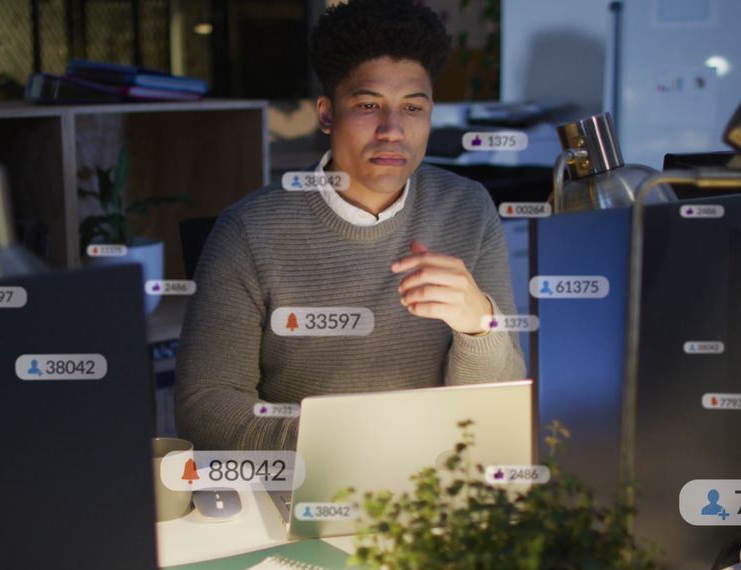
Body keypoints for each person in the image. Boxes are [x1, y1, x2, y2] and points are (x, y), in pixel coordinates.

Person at [176, 0, 526, 451]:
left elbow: (496, 408)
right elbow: (204, 407)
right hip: (304, 485)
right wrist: (343, 443)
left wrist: (478, 325)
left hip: (435, 482)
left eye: (413, 108)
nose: (392, 130)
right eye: (368, 104)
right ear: (326, 113)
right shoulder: (247, 232)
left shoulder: (468, 207)